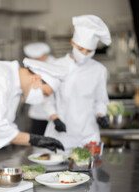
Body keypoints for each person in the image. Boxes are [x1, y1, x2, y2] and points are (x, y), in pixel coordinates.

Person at [44, 15, 111, 150]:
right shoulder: (56, 65)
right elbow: (47, 98)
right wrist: (54, 118)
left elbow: (101, 100)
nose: (84, 54)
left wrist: (101, 115)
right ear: (72, 42)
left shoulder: (99, 70)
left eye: (89, 51)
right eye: (81, 49)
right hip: (61, 133)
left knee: (89, 169)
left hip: (88, 135)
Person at [23, 42, 56, 135]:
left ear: (44, 55)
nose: (34, 60)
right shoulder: (34, 66)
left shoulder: (55, 65)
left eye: (37, 58)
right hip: (37, 111)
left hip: (53, 112)